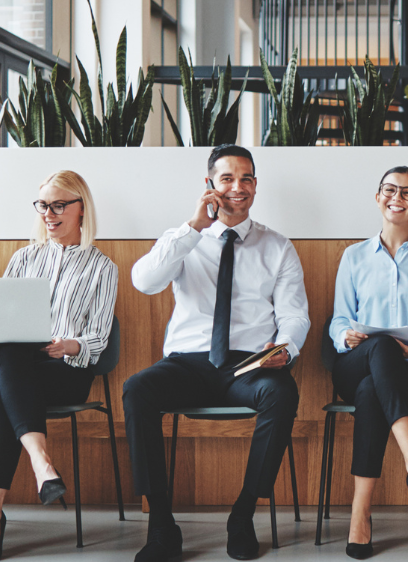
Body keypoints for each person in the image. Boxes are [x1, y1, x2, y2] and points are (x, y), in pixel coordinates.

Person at [124, 144, 310, 562]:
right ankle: (161, 527)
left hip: (248, 364)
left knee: (282, 393)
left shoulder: (277, 246)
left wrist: (286, 347)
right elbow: (144, 281)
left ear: (256, 186)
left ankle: (243, 515)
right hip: (188, 363)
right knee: (137, 389)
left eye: (246, 179)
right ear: (209, 185)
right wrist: (192, 226)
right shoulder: (184, 238)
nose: (237, 188)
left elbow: (295, 314)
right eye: (227, 178)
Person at [0, 171, 119, 561]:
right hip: (15, 362)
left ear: (81, 209)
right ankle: (41, 463)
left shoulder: (102, 267)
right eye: (43, 206)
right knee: (14, 350)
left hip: (64, 371)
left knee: (3, 389)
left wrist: (70, 344)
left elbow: (99, 338)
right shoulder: (23, 258)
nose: (48, 214)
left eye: (58, 205)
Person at [326, 166, 408, 559]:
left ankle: (360, 513)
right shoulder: (354, 256)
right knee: (379, 349)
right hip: (357, 362)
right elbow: (339, 319)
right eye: (389, 190)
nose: (396, 197)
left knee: (373, 389)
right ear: (378, 196)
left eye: (407, 192)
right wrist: (344, 335)